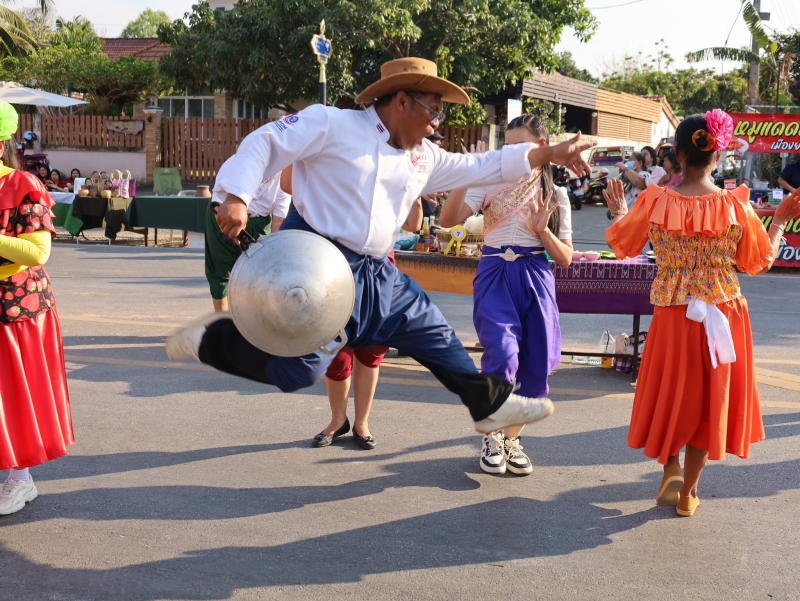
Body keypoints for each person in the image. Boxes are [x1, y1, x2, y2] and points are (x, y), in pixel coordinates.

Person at [166, 57, 594, 435]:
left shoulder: (424, 156)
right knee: (299, 372)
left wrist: (549, 153)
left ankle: (487, 405)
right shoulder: (332, 124)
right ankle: (211, 339)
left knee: (432, 330)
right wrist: (236, 196)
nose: (438, 121)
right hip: (319, 266)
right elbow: (265, 142)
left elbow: (485, 164)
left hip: (377, 271)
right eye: (434, 109)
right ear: (401, 101)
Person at [603, 109, 800, 517]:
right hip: (723, 313)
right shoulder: (736, 206)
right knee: (708, 402)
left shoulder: (654, 199)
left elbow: (624, 243)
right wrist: (779, 220)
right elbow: (758, 261)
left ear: (677, 155)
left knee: (671, 393)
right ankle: (688, 494)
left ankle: (670, 468)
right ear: (718, 155)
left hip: (673, 314)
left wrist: (619, 211)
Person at [440, 114, 573, 476]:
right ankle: (492, 437)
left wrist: (544, 232)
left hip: (536, 275)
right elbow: (449, 221)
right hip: (495, 272)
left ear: (541, 146)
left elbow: (565, 257)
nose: (512, 153)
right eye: (508, 146)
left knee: (537, 363)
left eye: (521, 145)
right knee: (501, 351)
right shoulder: (487, 181)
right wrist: (465, 176)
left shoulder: (556, 194)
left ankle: (512, 440)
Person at [279, 165, 424, 450]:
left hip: (377, 272)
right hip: (334, 268)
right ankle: (338, 420)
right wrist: (295, 149)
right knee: (335, 348)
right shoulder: (334, 161)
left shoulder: (392, 164)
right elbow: (289, 184)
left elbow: (413, 224)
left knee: (371, 349)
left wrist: (416, 191)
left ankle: (362, 423)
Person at [0, 101, 73, 516]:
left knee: (15, 394)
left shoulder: (23, 184)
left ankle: (20, 479)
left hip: (15, 308)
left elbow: (37, 251)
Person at [206, 157, 291, 313]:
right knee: (221, 271)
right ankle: (221, 318)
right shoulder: (236, 163)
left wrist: (274, 252)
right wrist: (227, 229)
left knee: (262, 272)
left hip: (260, 221)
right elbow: (218, 202)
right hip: (224, 215)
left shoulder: (284, 172)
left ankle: (254, 319)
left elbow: (278, 223)